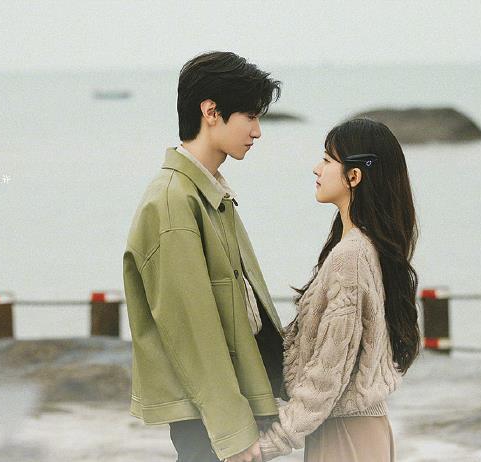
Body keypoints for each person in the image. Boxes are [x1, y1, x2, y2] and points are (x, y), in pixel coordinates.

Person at [122, 51, 286, 462]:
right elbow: (192, 332)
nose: (257, 131)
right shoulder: (173, 202)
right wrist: (233, 432)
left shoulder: (209, 193)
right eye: (250, 116)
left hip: (228, 408)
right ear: (211, 111)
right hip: (209, 423)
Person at [257, 118, 423, 462]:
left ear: (354, 176)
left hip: (345, 435)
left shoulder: (351, 256)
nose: (317, 168)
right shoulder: (366, 247)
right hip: (358, 431)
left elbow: (327, 375)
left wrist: (269, 443)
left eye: (327, 160)